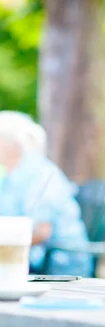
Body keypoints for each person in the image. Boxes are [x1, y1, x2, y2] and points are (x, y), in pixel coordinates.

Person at [0, 112, 93, 277]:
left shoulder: (40, 174)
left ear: (11, 144)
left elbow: (42, 232)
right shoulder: (9, 178)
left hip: (60, 265)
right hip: (27, 261)